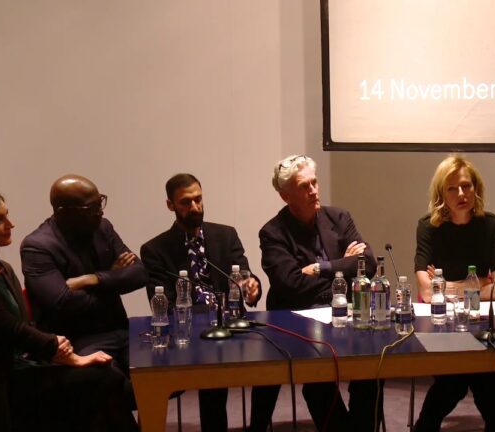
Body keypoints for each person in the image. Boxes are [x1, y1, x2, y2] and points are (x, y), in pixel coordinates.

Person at [0, 186, 137, 432]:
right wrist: (66, 354)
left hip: (27, 362)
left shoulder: (3, 268)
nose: (10, 224)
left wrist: (93, 281)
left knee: (105, 383)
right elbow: (8, 328)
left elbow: (139, 274)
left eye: (7, 215)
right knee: (105, 379)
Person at [254, 154, 380, 432]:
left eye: (314, 182)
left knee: (373, 367)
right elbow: (291, 285)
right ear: (285, 196)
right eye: (304, 186)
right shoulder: (272, 233)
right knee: (318, 380)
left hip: (345, 315)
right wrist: (344, 269)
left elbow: (368, 265)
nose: (313, 190)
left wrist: (320, 268)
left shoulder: (339, 217)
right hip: (299, 321)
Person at [140, 173, 262, 431]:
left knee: (272, 366)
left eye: (198, 199)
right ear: (170, 205)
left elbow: (244, 274)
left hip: (232, 331)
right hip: (190, 333)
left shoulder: (226, 235)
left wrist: (252, 287)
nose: (194, 207)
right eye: (185, 202)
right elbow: (162, 302)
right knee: (212, 380)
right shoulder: (155, 249)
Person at [20, 174, 148, 407]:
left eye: (101, 201)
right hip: (77, 339)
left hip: (119, 328)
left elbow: (140, 274)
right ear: (63, 211)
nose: (100, 211)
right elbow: (63, 303)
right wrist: (114, 278)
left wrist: (93, 279)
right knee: (110, 382)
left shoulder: (102, 227)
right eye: (91, 206)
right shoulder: (38, 246)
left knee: (159, 368)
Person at [413, 155, 495, 432]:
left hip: (480, 321)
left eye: (467, 186)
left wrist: (449, 285)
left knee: (478, 379)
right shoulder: (428, 227)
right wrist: (480, 282)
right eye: (452, 188)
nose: (461, 194)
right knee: (466, 380)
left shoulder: (491, 225)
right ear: (441, 193)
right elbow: (426, 290)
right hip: (441, 323)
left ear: (476, 189)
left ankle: (425, 427)